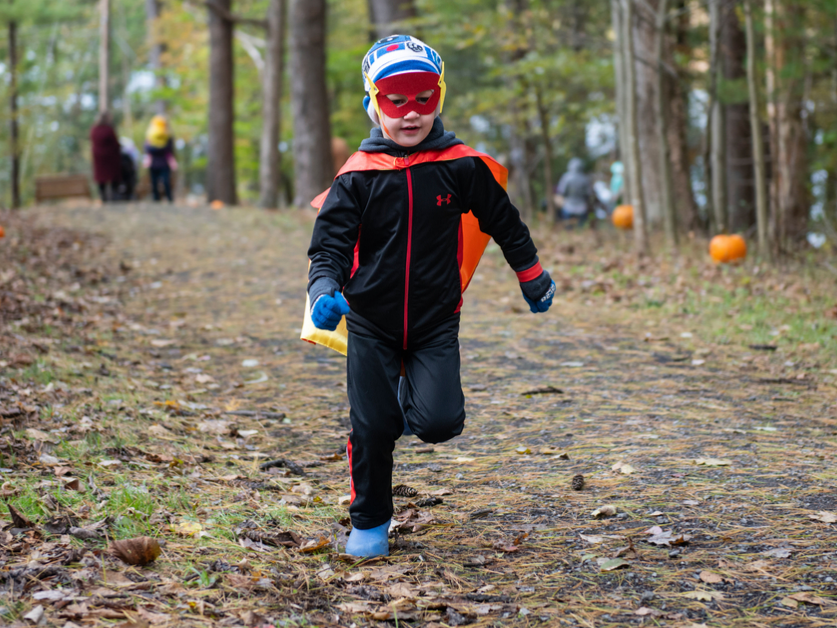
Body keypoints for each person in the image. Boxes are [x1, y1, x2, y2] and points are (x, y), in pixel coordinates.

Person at [305, 35, 556, 558]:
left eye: (424, 98)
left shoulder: (459, 167)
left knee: (440, 422)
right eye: (396, 100)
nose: (411, 113)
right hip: (369, 320)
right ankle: (370, 523)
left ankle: (403, 401)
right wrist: (324, 291)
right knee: (372, 428)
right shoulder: (357, 178)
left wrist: (530, 273)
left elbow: (504, 222)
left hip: (434, 321)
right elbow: (328, 247)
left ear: (440, 97)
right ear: (374, 104)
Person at [143, 115, 176, 202]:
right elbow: (147, 149)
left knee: (166, 181)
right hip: (154, 163)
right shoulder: (150, 137)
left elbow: (169, 149)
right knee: (154, 182)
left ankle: (169, 198)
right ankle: (156, 199)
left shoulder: (168, 137)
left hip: (164, 162)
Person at [90, 111, 122, 202]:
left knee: (101, 179)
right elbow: (115, 143)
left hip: (98, 158)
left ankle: (103, 198)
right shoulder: (109, 129)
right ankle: (114, 197)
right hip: (110, 157)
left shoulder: (94, 129)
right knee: (113, 177)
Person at [555, 157, 594, 228]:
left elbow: (561, 192)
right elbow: (588, 194)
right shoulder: (585, 178)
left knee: (568, 228)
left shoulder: (566, 177)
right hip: (582, 208)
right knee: (580, 229)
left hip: (568, 207)